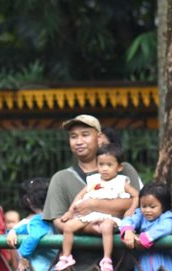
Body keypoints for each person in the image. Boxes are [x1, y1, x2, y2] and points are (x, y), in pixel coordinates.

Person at [44, 114, 142, 271]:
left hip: (122, 263)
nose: (79, 141)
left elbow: (137, 206)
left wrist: (93, 204)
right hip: (78, 265)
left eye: (85, 134)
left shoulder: (123, 169)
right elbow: (59, 221)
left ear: (99, 137)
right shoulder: (61, 178)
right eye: (73, 136)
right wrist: (91, 227)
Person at [120, 182, 172, 271]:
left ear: (164, 206)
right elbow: (128, 220)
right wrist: (128, 231)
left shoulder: (167, 217)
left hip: (165, 262)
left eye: (152, 207)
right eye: (144, 206)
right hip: (144, 263)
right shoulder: (140, 215)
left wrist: (147, 237)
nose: (147, 210)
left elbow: (166, 227)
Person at [6, 177, 57, 271]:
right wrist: (12, 231)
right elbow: (27, 227)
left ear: (28, 200)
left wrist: (22, 255)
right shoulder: (53, 217)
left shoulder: (39, 220)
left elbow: (34, 236)